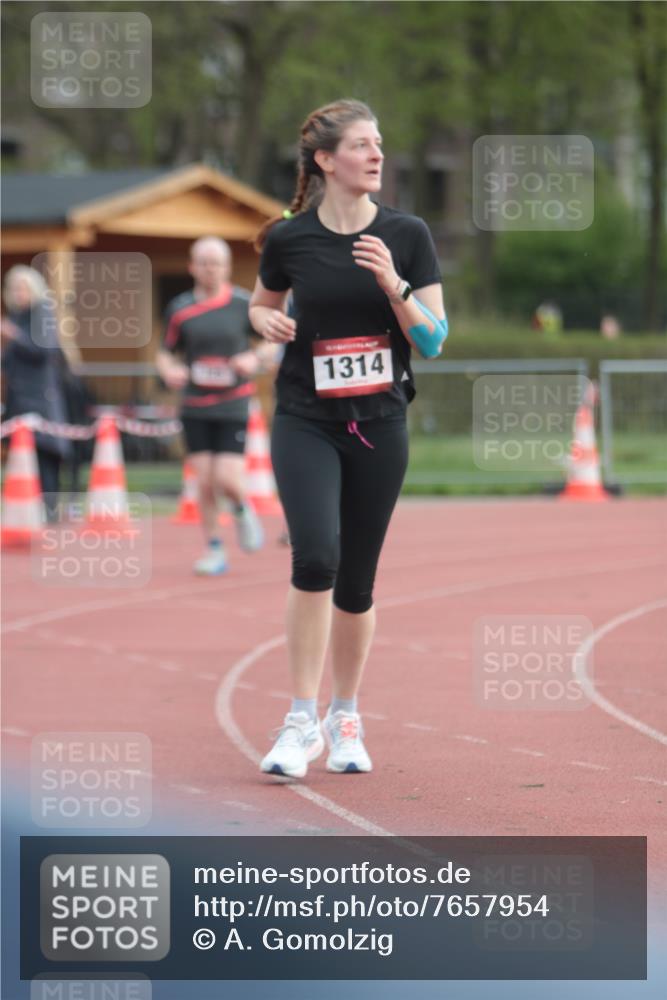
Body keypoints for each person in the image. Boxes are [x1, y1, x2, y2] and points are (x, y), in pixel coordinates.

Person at [249, 99, 447, 778]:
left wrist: (393, 283)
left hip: (379, 424)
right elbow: (261, 302)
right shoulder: (288, 239)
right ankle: (300, 721)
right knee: (315, 559)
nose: (377, 155)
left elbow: (433, 339)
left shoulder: (407, 232)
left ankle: (346, 716)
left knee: (355, 585)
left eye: (380, 144)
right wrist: (263, 323)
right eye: (362, 145)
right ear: (326, 161)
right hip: (304, 418)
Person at [157, 237, 276, 575]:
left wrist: (253, 358)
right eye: (204, 262)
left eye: (216, 263)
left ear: (226, 267)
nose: (210, 269)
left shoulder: (243, 304)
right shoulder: (179, 309)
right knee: (205, 481)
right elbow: (166, 351)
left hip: (234, 403)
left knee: (227, 477)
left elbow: (271, 342)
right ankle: (213, 548)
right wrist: (170, 370)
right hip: (194, 404)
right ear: (192, 267)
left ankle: (242, 508)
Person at [1, 266, 72, 522]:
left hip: (41, 400)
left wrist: (13, 336)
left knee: (45, 457)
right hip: (20, 401)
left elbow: (42, 351)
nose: (18, 293)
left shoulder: (42, 314)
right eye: (14, 288)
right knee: (24, 459)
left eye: (23, 288)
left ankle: (50, 514)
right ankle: (30, 512)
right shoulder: (18, 316)